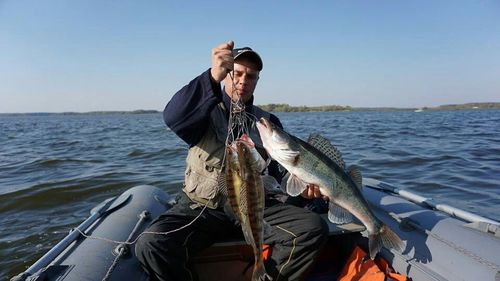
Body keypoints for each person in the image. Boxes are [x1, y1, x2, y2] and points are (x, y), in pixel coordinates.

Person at [135, 40, 329, 281]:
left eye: (251, 76)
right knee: (151, 243)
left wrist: (303, 192)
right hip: (203, 209)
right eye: (236, 73)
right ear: (226, 74)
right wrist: (212, 76)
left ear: (257, 81)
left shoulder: (268, 123)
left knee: (311, 228)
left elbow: (281, 175)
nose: (243, 81)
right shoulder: (201, 111)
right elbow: (173, 116)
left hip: (254, 207)